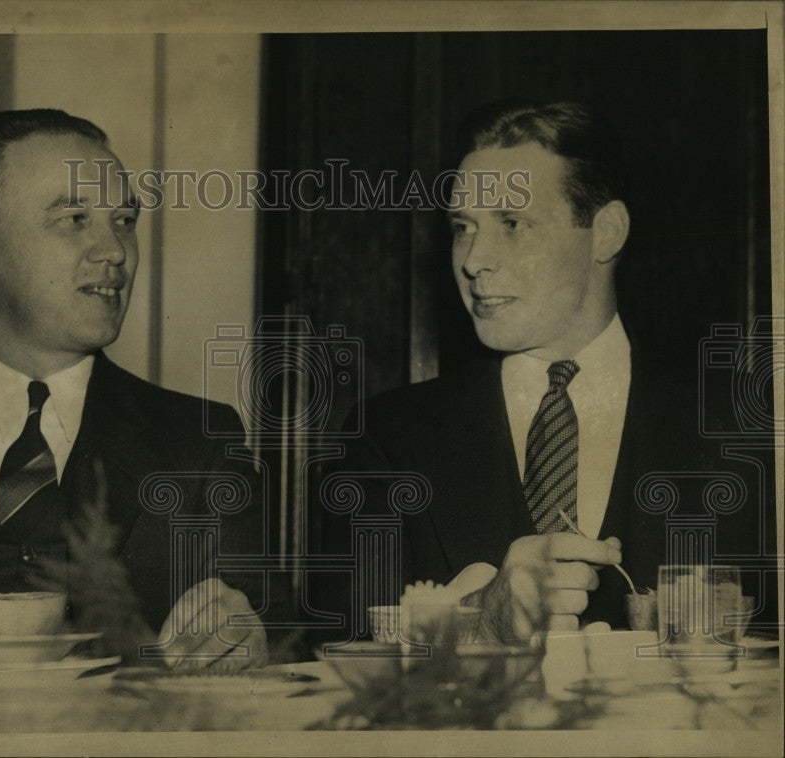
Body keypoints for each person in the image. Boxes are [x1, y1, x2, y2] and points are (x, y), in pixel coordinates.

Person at [0, 109, 268, 668]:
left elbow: (271, 619)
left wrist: (248, 633)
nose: (115, 251)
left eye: (124, 220)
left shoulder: (199, 442)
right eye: (75, 218)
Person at [316, 100, 774, 642]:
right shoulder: (385, 437)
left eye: (512, 223)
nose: (473, 259)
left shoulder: (749, 426)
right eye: (464, 227)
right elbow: (342, 664)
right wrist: (478, 623)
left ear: (606, 232)